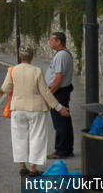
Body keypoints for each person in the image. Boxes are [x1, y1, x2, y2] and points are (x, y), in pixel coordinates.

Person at [2, 45, 70, 178]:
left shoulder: (12, 70)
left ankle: (22, 166)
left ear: (19, 56)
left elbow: (5, 88)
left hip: (17, 108)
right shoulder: (37, 71)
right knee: (37, 137)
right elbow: (45, 92)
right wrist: (59, 108)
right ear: (32, 57)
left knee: (18, 137)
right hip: (36, 109)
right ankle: (33, 167)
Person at [45, 31, 75, 159]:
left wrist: (49, 93)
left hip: (58, 92)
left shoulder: (61, 55)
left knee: (60, 122)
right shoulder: (62, 54)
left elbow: (58, 78)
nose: (50, 42)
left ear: (59, 42)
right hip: (61, 91)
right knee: (65, 120)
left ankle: (61, 150)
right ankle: (67, 148)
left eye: (52, 40)